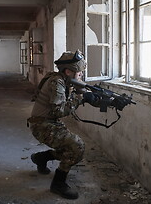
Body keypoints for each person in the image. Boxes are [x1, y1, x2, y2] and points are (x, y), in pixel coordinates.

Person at [27, 50, 100, 199]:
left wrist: (86, 94)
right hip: (41, 125)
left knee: (70, 147)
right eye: (78, 73)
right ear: (68, 71)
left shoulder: (62, 80)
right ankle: (58, 184)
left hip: (48, 122)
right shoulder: (57, 82)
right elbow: (59, 111)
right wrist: (81, 98)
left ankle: (41, 158)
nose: (80, 75)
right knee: (77, 146)